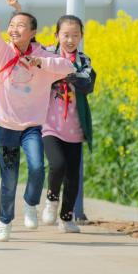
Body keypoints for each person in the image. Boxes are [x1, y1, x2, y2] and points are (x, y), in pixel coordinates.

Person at [0, 0, 74, 242]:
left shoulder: (43, 56)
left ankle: (31, 204)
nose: (14, 29)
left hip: (32, 127)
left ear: (33, 33)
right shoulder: (3, 53)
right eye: (12, 24)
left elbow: (67, 66)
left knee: (36, 167)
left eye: (21, 25)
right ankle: (4, 223)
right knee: (9, 178)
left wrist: (41, 63)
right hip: (5, 127)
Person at [41, 15, 95, 233]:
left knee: (73, 176)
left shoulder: (84, 60)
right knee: (57, 164)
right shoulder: (48, 55)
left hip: (75, 127)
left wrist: (71, 74)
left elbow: (88, 83)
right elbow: (34, 65)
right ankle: (51, 200)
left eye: (75, 35)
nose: (70, 40)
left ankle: (66, 218)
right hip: (50, 125)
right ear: (56, 35)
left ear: (81, 36)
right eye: (66, 35)